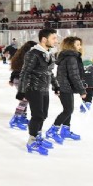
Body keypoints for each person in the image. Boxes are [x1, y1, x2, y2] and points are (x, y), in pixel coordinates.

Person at [16, 28, 59, 156]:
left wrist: (56, 86)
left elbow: (49, 72)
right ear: (44, 39)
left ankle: (38, 136)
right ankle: (32, 141)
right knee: (37, 115)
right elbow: (25, 72)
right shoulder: (33, 53)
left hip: (44, 88)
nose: (56, 41)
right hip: (33, 88)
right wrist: (22, 91)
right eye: (53, 38)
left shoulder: (49, 53)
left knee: (44, 115)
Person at [45, 37, 86, 144]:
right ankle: (52, 131)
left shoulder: (67, 56)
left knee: (69, 109)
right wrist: (82, 90)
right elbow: (74, 76)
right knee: (68, 110)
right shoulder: (71, 58)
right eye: (77, 44)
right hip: (64, 87)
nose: (80, 47)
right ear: (71, 46)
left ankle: (65, 130)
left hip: (64, 86)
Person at [8, 41, 37, 130]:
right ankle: (16, 118)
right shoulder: (28, 56)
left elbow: (15, 69)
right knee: (25, 99)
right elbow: (19, 70)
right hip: (22, 80)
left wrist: (12, 79)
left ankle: (22, 117)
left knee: (26, 99)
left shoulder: (21, 54)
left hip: (18, 79)